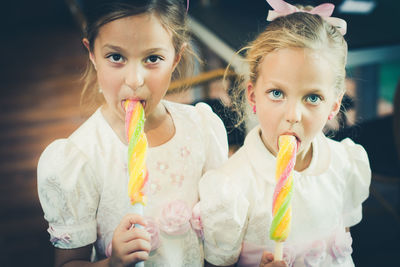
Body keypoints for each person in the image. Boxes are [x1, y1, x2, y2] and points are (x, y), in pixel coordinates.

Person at [37, 0, 228, 266]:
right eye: (116, 57)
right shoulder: (80, 158)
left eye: (153, 59)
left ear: (176, 58)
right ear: (92, 54)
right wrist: (113, 262)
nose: (135, 79)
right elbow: (68, 262)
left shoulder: (202, 128)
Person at [198, 0, 371, 266]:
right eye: (277, 93)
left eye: (312, 97)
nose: (293, 115)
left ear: (334, 106)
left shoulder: (345, 163)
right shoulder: (232, 186)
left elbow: (343, 241)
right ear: (253, 96)